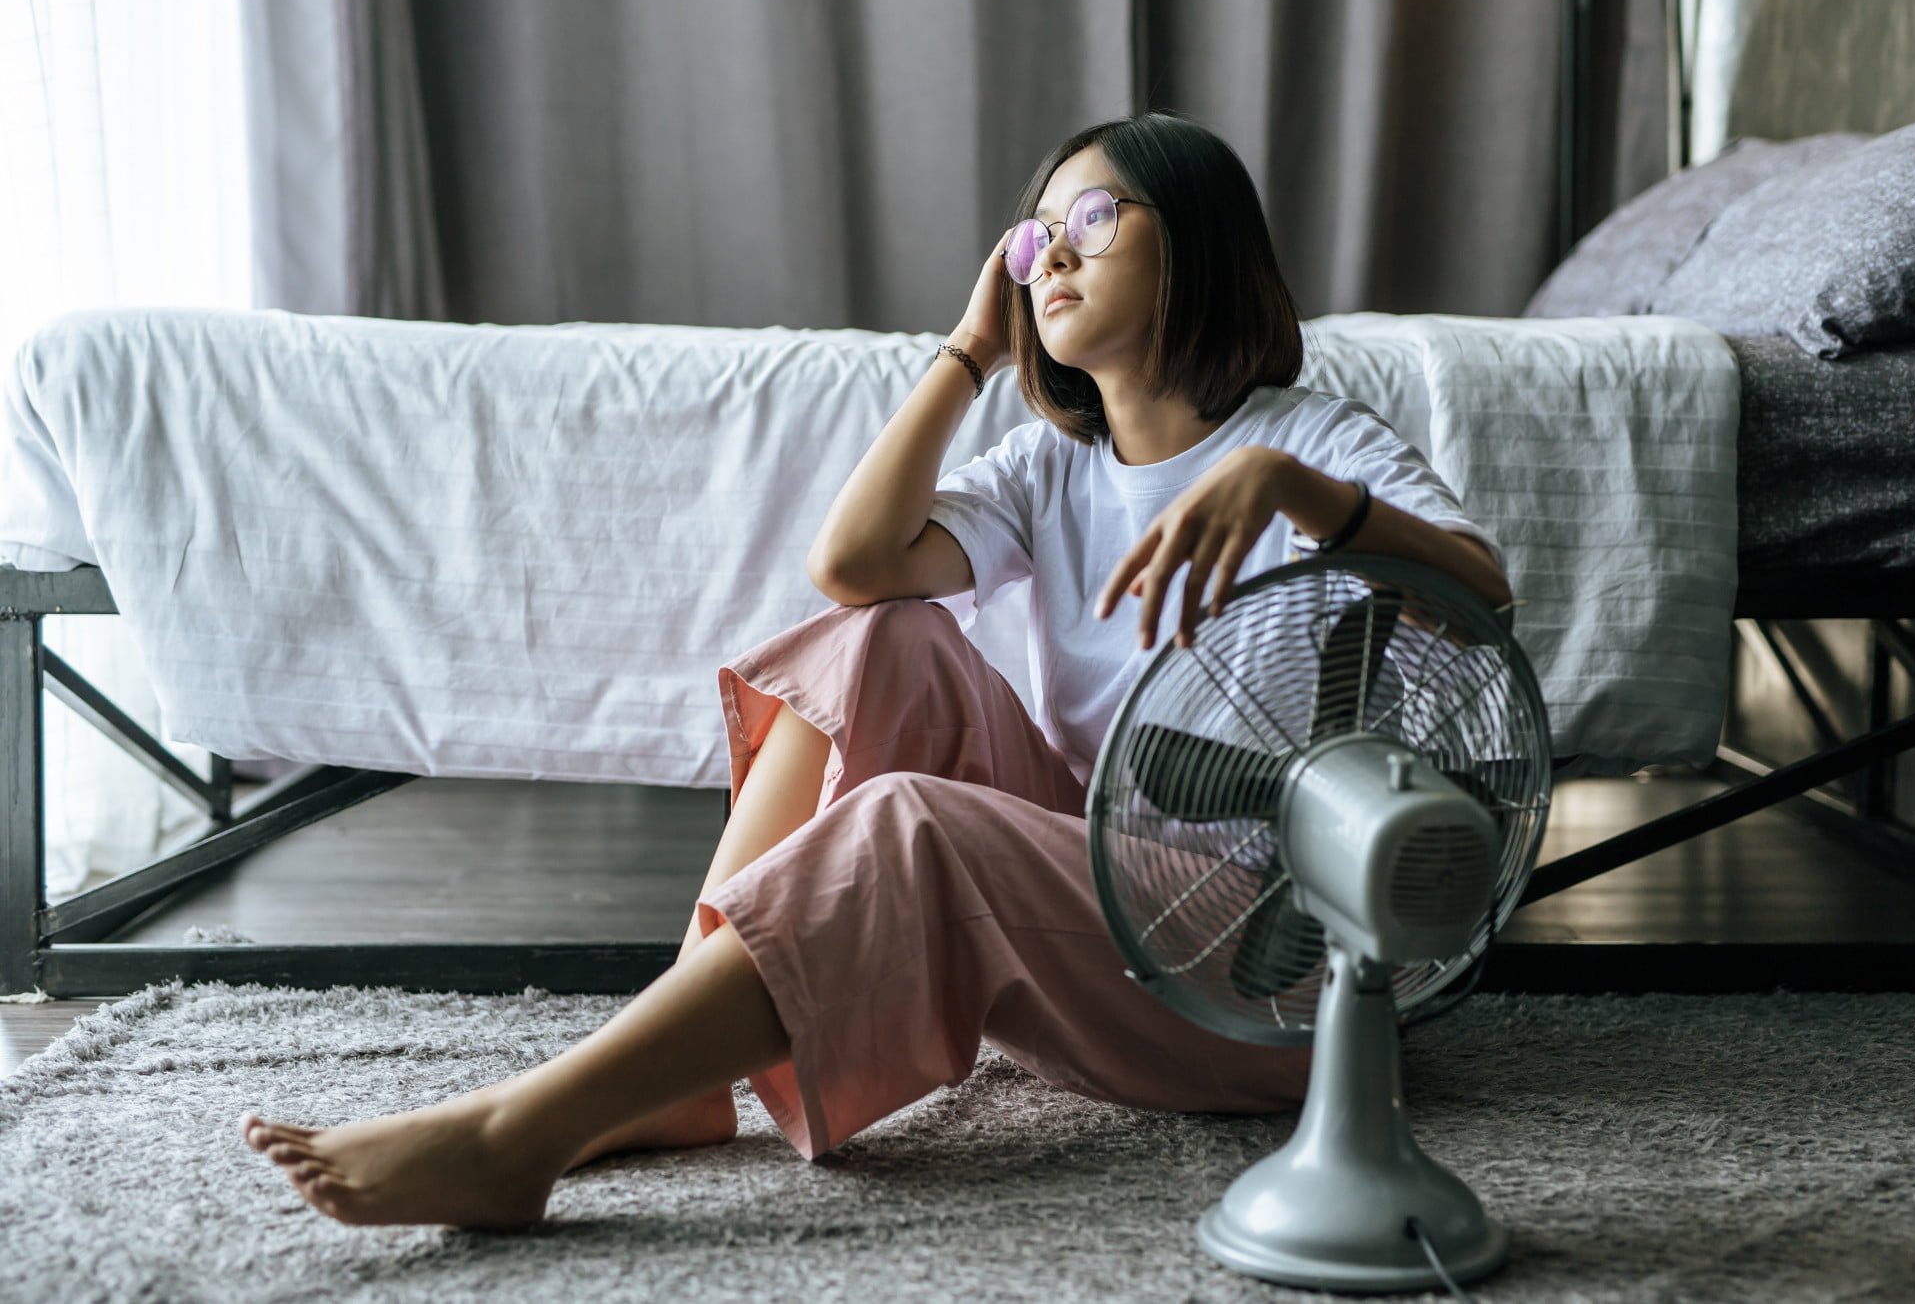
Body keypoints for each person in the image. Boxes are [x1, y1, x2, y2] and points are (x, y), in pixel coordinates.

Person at [239, 110, 1511, 1229]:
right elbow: (851, 565)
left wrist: (1294, 490)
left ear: (1201, 245)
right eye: (1029, 239)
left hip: (1263, 968)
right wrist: (968, 352)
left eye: (1092, 217)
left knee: (915, 825)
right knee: (877, 636)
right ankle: (679, 1066)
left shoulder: (1314, 441)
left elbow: (1482, 602)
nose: (1047, 253)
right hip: (1105, 890)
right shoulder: (1046, 467)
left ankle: (519, 1137)